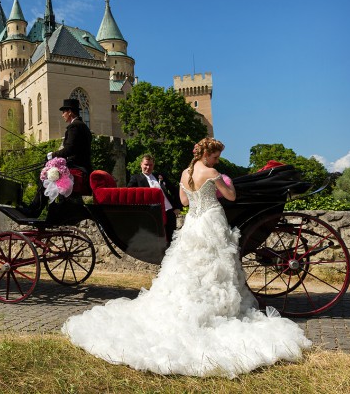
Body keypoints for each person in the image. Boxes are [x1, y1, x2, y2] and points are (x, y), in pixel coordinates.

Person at [62, 137, 311, 378]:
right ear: (206, 154)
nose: (216, 161)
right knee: (215, 264)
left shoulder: (185, 174)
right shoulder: (212, 174)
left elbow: (182, 200)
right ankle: (218, 307)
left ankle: (190, 304)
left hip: (193, 222)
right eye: (215, 157)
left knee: (190, 265)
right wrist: (227, 184)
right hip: (212, 220)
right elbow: (232, 197)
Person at [22, 98, 92, 217]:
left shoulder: (74, 127)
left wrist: (51, 155)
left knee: (45, 176)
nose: (62, 114)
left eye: (64, 111)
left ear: (69, 112)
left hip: (76, 166)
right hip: (83, 166)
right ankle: (37, 209)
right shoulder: (83, 126)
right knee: (47, 174)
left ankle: (34, 210)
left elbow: (70, 149)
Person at [127, 154, 182, 243]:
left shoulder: (160, 176)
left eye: (150, 165)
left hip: (169, 212)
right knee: (156, 242)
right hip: (152, 214)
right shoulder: (136, 178)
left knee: (171, 241)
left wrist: (177, 207)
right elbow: (129, 194)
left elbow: (175, 190)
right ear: (141, 164)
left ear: (153, 165)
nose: (148, 167)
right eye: (146, 164)